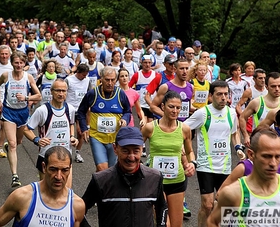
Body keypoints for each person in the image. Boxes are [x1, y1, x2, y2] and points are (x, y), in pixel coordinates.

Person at [207, 128, 280, 227]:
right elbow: (213, 222)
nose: (273, 163)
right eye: (266, 156)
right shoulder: (233, 193)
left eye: (277, 157)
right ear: (251, 155)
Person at [184, 80, 245, 227]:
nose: (223, 97)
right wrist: (187, 152)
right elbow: (183, 129)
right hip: (205, 166)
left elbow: (234, 133)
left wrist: (237, 146)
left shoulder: (231, 113)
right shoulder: (202, 113)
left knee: (225, 205)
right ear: (211, 96)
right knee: (207, 205)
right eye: (219, 94)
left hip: (224, 166)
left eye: (226, 94)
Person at [81, 127, 168, 227]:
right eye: (125, 151)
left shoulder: (154, 178)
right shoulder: (100, 180)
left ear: (142, 150)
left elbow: (162, 207)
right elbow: (79, 209)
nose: (131, 157)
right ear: (115, 149)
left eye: (136, 151)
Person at [0, 146, 86, 227]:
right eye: (53, 169)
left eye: (64, 170)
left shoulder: (77, 206)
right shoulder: (23, 197)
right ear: (44, 167)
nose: (58, 176)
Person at [142, 91, 196, 227]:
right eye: (171, 106)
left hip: (177, 181)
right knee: (163, 223)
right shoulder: (149, 128)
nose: (175, 110)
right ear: (163, 106)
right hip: (156, 182)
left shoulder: (184, 129)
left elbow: (190, 151)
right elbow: (136, 149)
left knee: (176, 225)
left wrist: (192, 164)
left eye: (179, 108)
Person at [0, 51, 41, 187]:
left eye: (21, 63)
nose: (19, 65)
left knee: (19, 141)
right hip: (9, 113)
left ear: (24, 63)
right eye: (16, 62)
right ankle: (15, 176)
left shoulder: (28, 77)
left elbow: (38, 96)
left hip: (23, 113)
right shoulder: (6, 76)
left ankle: (9, 147)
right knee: (13, 144)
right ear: (12, 63)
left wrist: (26, 98)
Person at [24, 79, 78, 188]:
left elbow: (71, 124)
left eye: (64, 91)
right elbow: (26, 129)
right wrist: (37, 140)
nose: (61, 94)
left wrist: (72, 136)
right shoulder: (42, 110)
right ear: (52, 92)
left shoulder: (70, 109)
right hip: (46, 157)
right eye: (58, 90)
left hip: (65, 156)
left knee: (66, 192)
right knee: (47, 193)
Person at [76, 67, 131, 171]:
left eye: (113, 80)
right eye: (107, 80)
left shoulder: (120, 94)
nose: (110, 83)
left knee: (110, 170)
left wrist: (124, 119)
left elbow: (128, 111)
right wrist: (84, 129)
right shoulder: (93, 94)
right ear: (101, 79)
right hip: (97, 137)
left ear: (116, 80)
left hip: (115, 139)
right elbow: (81, 111)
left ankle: (97, 185)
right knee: (102, 168)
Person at [239, 72, 280, 147]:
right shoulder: (257, 102)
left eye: (279, 86)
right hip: (258, 143)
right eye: (273, 86)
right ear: (266, 87)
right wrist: (246, 136)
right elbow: (242, 117)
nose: (277, 89)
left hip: (278, 145)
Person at [65, 64, 91, 163]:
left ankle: (77, 152)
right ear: (78, 72)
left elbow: (89, 93)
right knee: (68, 132)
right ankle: (67, 151)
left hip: (81, 110)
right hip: (69, 109)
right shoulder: (69, 80)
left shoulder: (87, 80)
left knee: (80, 132)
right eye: (83, 75)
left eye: (86, 75)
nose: (85, 77)